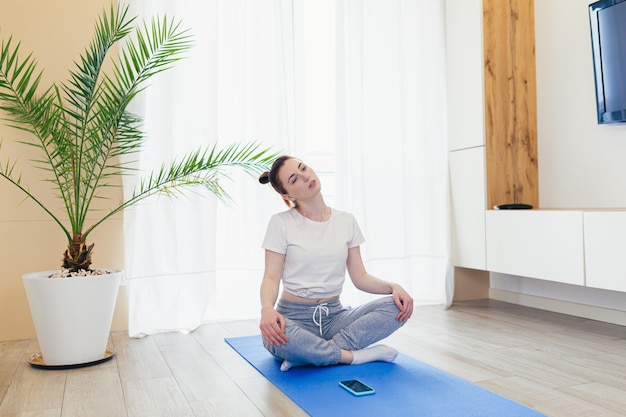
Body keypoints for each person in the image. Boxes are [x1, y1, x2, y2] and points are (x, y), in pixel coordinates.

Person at [258, 155, 413, 371]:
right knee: (274, 337)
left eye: (303, 168)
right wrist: (267, 309)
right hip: (293, 318)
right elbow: (271, 278)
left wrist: (394, 287)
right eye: (294, 179)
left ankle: (310, 355)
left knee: (397, 306)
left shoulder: (346, 221)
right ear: (287, 194)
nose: (305, 176)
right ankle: (356, 356)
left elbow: (360, 278)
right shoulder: (281, 223)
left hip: (335, 317)